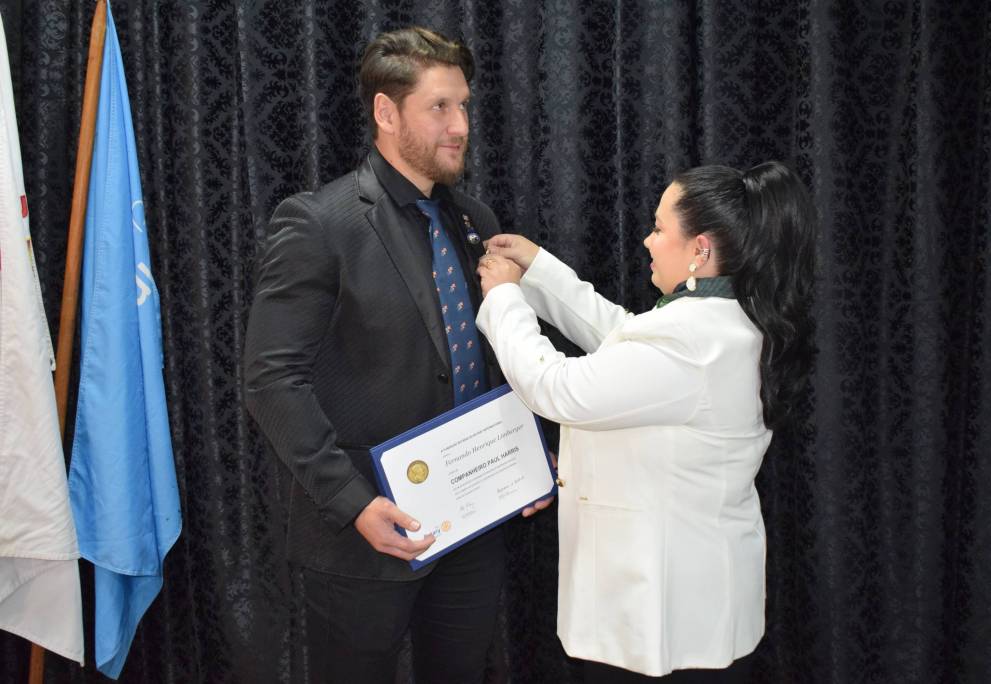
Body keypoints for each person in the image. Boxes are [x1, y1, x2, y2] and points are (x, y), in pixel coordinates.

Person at [475, 162, 816, 683]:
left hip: (664, 609)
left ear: (700, 249)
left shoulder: (690, 339)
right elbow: (624, 337)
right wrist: (538, 269)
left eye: (659, 228)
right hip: (694, 599)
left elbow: (555, 387)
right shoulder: (725, 320)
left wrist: (504, 298)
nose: (647, 241)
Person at [244, 27, 508, 684]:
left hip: (473, 528)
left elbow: (491, 358)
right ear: (386, 113)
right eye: (439, 107)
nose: (460, 126)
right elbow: (271, 378)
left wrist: (525, 452)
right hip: (361, 538)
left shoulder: (474, 219)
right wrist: (354, 502)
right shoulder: (320, 222)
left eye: (464, 106)